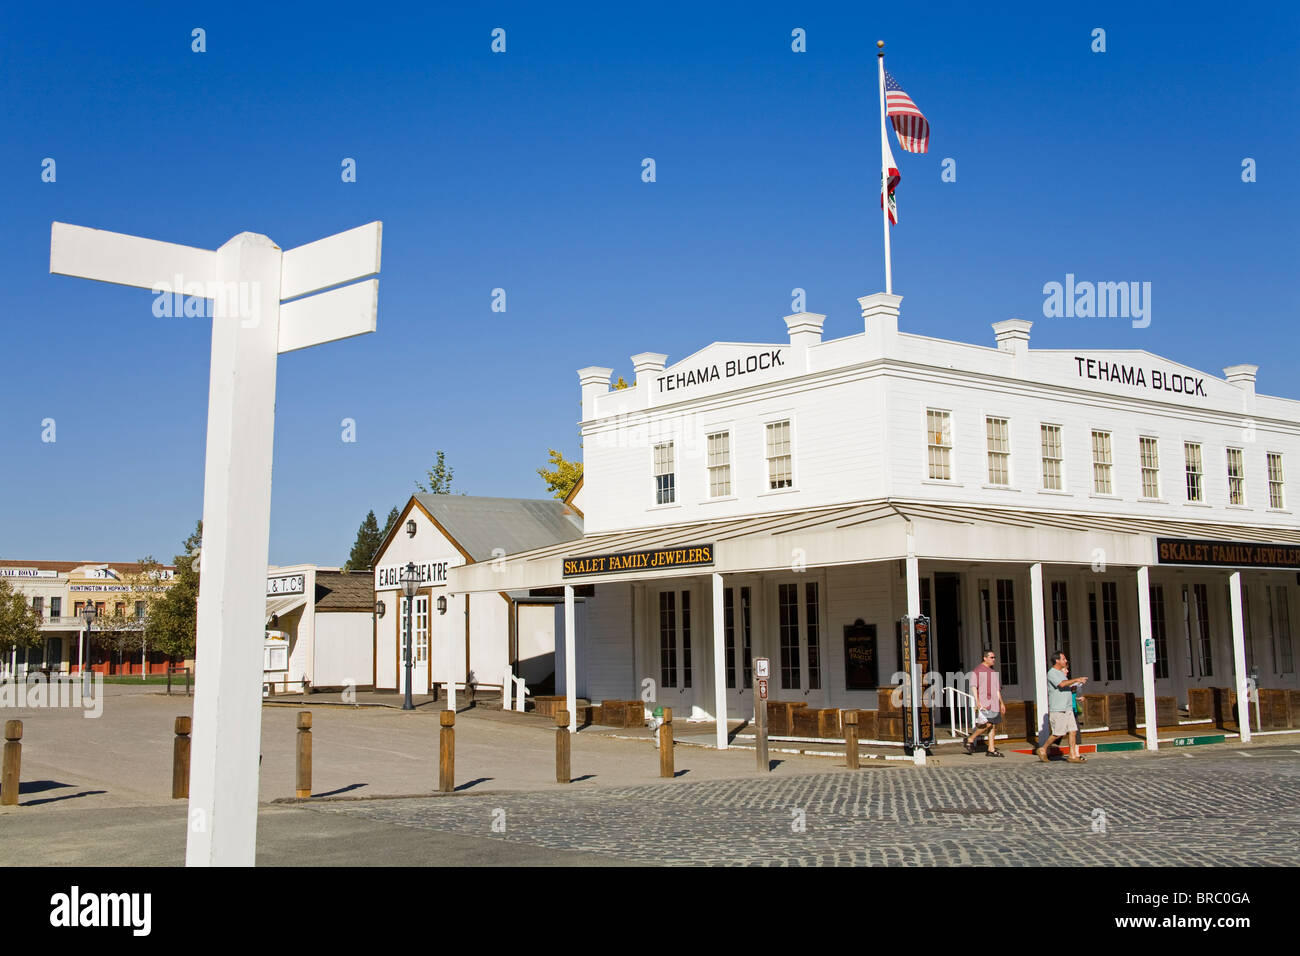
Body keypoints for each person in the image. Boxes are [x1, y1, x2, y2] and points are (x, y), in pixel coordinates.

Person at [1036, 650, 1087, 763]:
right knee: (1058, 733)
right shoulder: (1052, 673)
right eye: (1063, 659)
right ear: (1057, 660)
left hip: (1068, 708)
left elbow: (1065, 687)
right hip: (1058, 708)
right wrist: (1077, 679)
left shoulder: (1061, 673)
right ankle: (1043, 748)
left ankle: (1072, 755)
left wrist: (1075, 689)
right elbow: (1062, 684)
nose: (1065, 660)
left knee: (1073, 731)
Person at [963, 649, 1005, 756]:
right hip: (985, 701)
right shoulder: (978, 670)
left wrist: (1001, 703)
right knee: (988, 723)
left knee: (992, 725)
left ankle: (991, 749)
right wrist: (977, 701)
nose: (993, 659)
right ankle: (970, 739)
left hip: (994, 702)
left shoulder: (993, 672)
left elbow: (997, 689)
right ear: (985, 658)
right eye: (991, 657)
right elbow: (973, 686)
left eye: (994, 657)